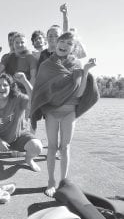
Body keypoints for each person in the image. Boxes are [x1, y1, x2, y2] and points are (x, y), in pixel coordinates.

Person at [30, 32, 99, 197]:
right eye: (62, 41)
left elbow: (80, 93)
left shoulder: (77, 64)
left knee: (65, 147)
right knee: (52, 147)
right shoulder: (46, 65)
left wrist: (86, 70)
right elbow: (41, 90)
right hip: (52, 112)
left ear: (73, 48)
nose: (64, 45)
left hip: (70, 112)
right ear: (56, 42)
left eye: (69, 43)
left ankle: (63, 182)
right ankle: (51, 181)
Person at [0, 73, 43, 169]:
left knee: (37, 146)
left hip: (17, 138)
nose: (2, 87)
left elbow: (33, 100)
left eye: (5, 85)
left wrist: (25, 82)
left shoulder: (18, 98)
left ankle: (29, 159)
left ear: (11, 87)